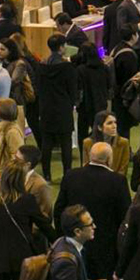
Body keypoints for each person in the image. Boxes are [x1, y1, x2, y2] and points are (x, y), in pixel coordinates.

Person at [54, 140, 132, 280]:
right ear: (109, 159)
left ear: (89, 155)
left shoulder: (71, 176)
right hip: (107, 251)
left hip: (77, 247)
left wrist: (65, 238)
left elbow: (59, 209)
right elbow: (125, 219)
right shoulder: (117, 181)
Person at [35, 36, 79, 181]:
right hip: (63, 108)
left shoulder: (41, 66)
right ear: (61, 47)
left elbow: (38, 88)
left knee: (46, 143)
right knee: (65, 142)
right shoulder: (67, 67)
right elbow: (73, 89)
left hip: (46, 108)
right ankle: (67, 173)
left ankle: (46, 174)